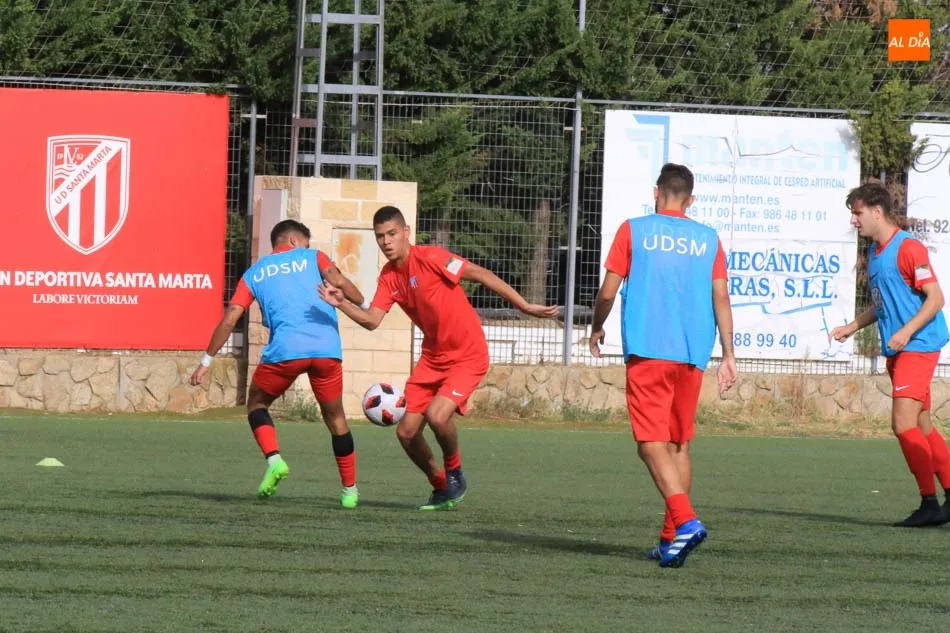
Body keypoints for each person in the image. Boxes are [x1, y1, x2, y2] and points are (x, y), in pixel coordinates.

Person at [318, 205, 559, 510]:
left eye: (392, 234)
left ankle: (454, 470)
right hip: (432, 359)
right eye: (380, 237)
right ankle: (442, 486)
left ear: (406, 233)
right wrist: (340, 303)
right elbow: (372, 320)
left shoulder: (431, 258)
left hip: (467, 354)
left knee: (437, 415)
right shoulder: (389, 277)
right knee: (406, 433)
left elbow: (480, 274)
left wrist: (523, 305)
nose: (386, 242)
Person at [589, 162, 737, 568]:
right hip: (692, 353)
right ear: (689, 200)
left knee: (649, 443)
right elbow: (721, 298)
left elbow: (607, 290)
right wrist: (728, 354)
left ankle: (686, 522)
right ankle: (671, 538)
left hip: (650, 348)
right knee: (679, 444)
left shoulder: (633, 229)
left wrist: (596, 326)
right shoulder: (708, 238)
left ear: (656, 192)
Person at [190, 219, 367, 508]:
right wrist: (362, 302)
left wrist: (206, 361)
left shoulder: (254, 273)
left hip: (286, 351)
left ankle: (274, 460)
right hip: (326, 350)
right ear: (296, 241)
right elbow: (340, 283)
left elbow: (231, 318)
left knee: (257, 405)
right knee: (336, 419)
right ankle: (350, 491)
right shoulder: (314, 257)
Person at [830, 182, 950, 527]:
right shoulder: (875, 254)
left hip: (918, 346)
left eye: (858, 213)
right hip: (900, 350)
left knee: (902, 424)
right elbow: (883, 307)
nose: (854, 221)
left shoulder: (908, 248)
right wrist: (853, 326)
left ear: (877, 212)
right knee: (923, 426)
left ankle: (929, 504)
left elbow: (936, 298)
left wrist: (907, 331)